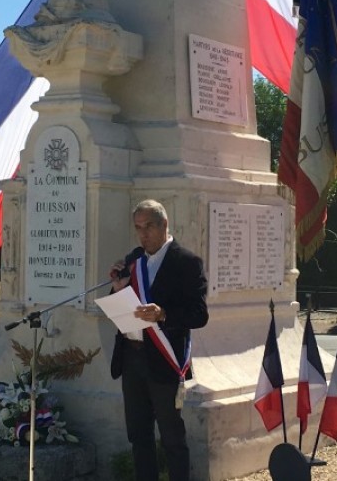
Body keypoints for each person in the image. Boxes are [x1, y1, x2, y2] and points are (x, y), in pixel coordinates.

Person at [108, 199, 209, 481]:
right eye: (138, 228)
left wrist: (163, 313)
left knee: (172, 438)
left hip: (164, 359)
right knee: (139, 435)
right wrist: (117, 288)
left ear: (164, 225)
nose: (143, 234)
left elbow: (199, 314)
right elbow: (123, 302)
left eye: (149, 227)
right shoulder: (133, 260)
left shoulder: (186, 262)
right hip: (132, 357)